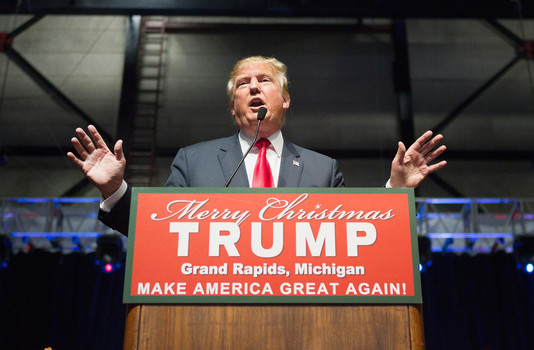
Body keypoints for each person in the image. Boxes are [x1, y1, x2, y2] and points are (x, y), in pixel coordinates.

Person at [67, 56, 446, 235]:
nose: (253, 86)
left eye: (264, 80)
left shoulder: (322, 168)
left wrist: (397, 190)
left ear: (284, 100)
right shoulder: (193, 160)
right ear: (233, 107)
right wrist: (114, 188)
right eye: (243, 84)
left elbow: (356, 236)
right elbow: (157, 231)